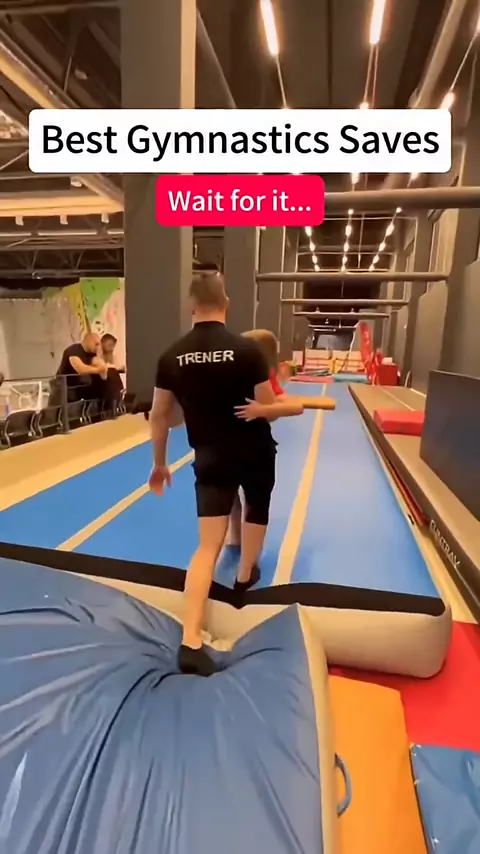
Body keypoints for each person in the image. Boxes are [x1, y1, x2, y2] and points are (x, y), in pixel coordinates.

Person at [149, 272, 281, 677]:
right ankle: (244, 575)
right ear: (226, 304)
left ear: (192, 306)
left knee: (207, 547)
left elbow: (159, 415)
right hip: (253, 452)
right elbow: (268, 408)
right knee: (256, 506)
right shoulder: (248, 351)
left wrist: (159, 463)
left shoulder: (171, 357)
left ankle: (190, 639)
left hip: (209, 458)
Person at [227, 328, 304, 548]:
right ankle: (240, 541)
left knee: (241, 496)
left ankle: (239, 539)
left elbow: (289, 403)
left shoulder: (260, 375)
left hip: (238, 442)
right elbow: (284, 407)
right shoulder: (248, 373)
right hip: (241, 442)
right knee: (242, 497)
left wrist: (267, 408)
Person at [50, 333, 107, 405]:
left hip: (76, 388)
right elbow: (81, 369)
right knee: (56, 409)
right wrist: (98, 369)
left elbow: (104, 373)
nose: (98, 347)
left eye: (99, 344)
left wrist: (100, 357)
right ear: (88, 341)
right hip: (62, 387)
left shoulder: (92, 354)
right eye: (96, 344)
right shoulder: (73, 350)